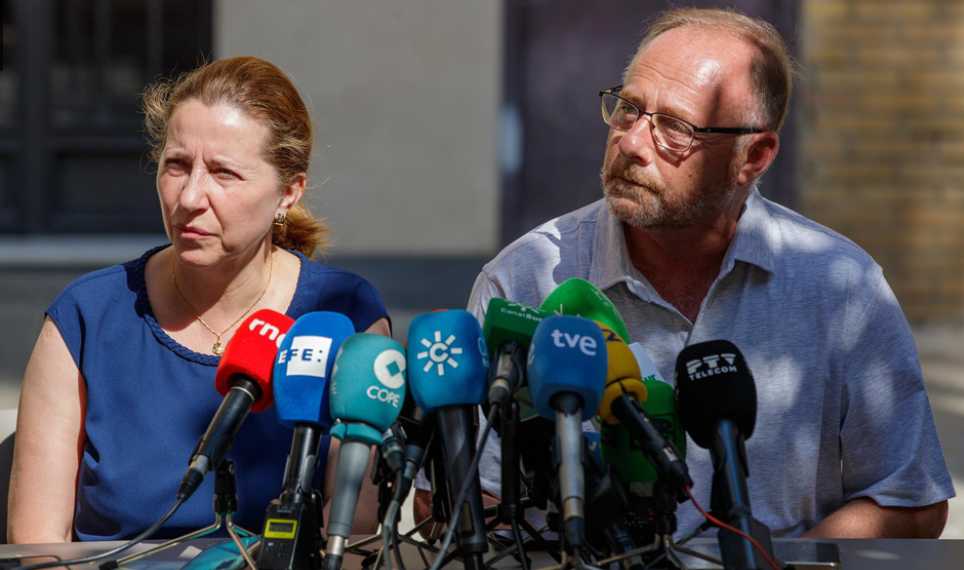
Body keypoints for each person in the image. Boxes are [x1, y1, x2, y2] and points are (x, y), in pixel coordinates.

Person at [416, 7, 954, 538]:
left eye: (673, 127)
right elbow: (451, 501)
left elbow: (907, 500)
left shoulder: (842, 287)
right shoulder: (523, 279)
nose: (629, 143)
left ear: (754, 156)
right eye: (627, 108)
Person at [8, 56, 392, 543]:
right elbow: (37, 547)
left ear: (288, 192)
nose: (190, 196)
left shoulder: (344, 316)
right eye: (177, 165)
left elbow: (354, 542)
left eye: (224, 173)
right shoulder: (87, 318)